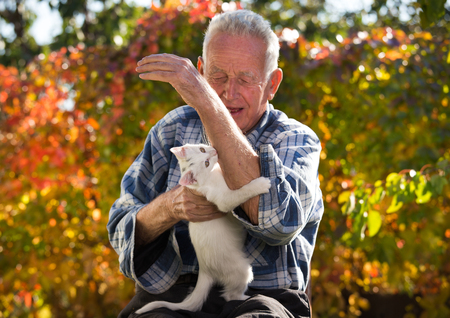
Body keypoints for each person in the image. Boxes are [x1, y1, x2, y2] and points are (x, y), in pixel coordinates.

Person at [108, 9, 323, 318]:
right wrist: (170, 207)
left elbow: (279, 223)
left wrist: (206, 102)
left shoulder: (295, 140)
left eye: (246, 79)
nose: (227, 92)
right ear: (200, 69)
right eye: (217, 77)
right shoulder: (172, 129)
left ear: (272, 83)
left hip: (263, 298)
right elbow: (120, 229)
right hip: (177, 295)